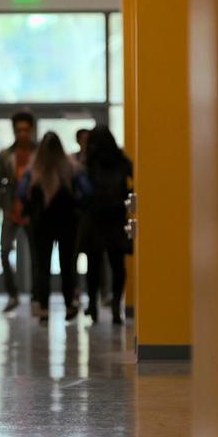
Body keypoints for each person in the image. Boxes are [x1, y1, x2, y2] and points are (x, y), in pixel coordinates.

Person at [18, 132, 91, 324]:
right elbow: (87, 191)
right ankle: (69, 304)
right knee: (68, 264)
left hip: (41, 223)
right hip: (67, 222)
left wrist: (29, 209)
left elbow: (21, 192)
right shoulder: (71, 167)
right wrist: (78, 206)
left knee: (42, 265)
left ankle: (43, 307)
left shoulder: (33, 169)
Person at [79, 125, 132, 324]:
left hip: (95, 219)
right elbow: (134, 181)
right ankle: (116, 306)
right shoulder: (121, 160)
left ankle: (93, 305)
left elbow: (82, 190)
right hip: (117, 217)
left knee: (93, 266)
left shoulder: (90, 162)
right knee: (117, 265)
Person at [0, 112, 38, 313]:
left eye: (26, 130)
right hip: (11, 210)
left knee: (37, 255)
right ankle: (12, 294)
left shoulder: (38, 154)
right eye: (19, 130)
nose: (23, 134)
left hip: (33, 211)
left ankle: (37, 296)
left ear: (32, 130)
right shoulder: (5, 155)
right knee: (4, 252)